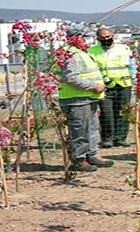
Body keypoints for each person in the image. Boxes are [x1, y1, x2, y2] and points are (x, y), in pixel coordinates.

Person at [57, 24, 114, 172]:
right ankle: (79, 159)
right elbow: (71, 78)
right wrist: (93, 86)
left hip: (88, 98)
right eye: (83, 37)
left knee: (92, 129)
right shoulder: (70, 54)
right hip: (76, 99)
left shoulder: (81, 52)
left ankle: (91, 155)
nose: (86, 40)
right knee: (80, 130)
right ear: (76, 38)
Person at [89, 27, 134, 148]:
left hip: (123, 85)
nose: (106, 39)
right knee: (106, 113)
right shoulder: (92, 51)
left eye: (108, 37)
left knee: (123, 112)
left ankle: (121, 138)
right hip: (104, 87)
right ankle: (107, 138)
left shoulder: (124, 49)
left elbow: (132, 67)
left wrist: (134, 81)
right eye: (102, 38)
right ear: (98, 39)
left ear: (112, 36)